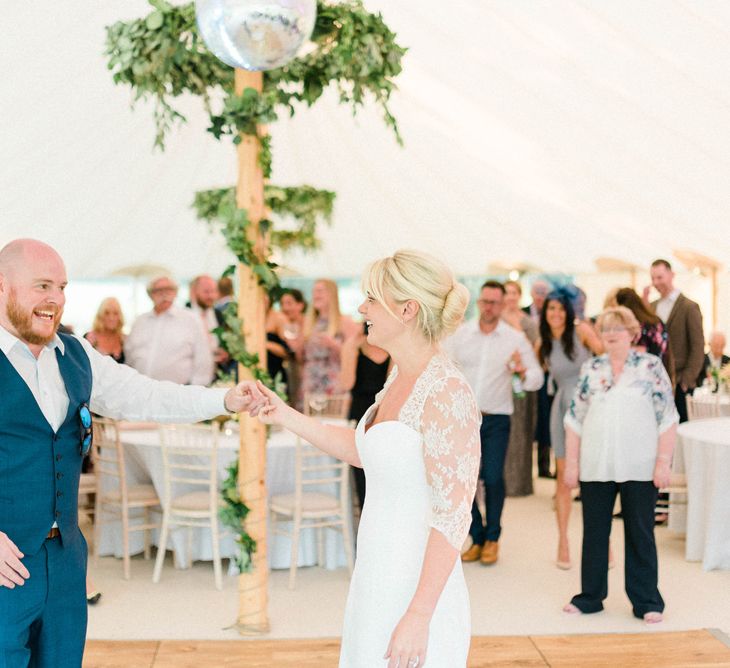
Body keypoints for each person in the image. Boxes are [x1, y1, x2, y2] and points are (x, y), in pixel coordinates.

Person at [0, 239, 256, 667]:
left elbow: (145, 396)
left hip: (65, 560)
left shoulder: (76, 355)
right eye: (42, 286)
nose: (55, 300)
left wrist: (222, 400)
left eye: (62, 287)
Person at [241, 250, 481, 668]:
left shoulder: (446, 391)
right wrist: (283, 413)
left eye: (372, 298)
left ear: (407, 309)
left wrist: (419, 615)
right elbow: (362, 449)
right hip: (376, 569)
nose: (361, 308)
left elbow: (454, 517)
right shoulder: (398, 377)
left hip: (417, 585)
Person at [562, 306, 678, 623]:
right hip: (596, 465)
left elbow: (667, 418)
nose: (612, 334)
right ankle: (590, 597)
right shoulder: (591, 368)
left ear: (632, 333)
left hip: (640, 465)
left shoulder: (650, 366)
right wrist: (571, 464)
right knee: (595, 533)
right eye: (606, 328)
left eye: (618, 328)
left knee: (641, 534)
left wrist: (663, 463)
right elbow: (574, 419)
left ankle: (647, 601)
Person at [446, 280, 543, 566]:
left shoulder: (514, 339)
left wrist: (522, 371)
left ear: (503, 305)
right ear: (478, 303)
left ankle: (493, 538)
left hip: (497, 418)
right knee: (465, 481)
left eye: (494, 302)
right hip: (462, 419)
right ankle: (476, 536)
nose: (488, 307)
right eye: (484, 301)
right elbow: (444, 368)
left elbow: (536, 378)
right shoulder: (460, 335)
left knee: (493, 477)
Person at [536, 287, 603, 569]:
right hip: (562, 408)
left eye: (560, 309)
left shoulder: (583, 331)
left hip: (591, 406)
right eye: (551, 309)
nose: (555, 314)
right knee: (563, 476)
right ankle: (563, 541)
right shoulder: (544, 344)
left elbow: (605, 360)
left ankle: (603, 542)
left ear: (569, 311)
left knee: (593, 475)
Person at [124, 276, 214, 386]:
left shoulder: (191, 319)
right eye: (158, 291)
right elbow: (129, 355)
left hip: (179, 393)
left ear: (175, 293)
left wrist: (196, 389)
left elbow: (203, 359)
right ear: (150, 295)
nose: (164, 294)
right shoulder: (139, 321)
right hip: (141, 390)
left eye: (168, 289)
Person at [339, 321, 390, 512]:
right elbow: (346, 383)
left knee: (382, 470)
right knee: (361, 470)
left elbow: (391, 385)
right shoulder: (354, 347)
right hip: (361, 413)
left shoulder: (391, 348)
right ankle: (364, 515)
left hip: (382, 413)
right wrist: (351, 348)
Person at [645, 259, 704, 422]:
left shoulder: (689, 307)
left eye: (660, 277)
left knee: (681, 427)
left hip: (679, 381)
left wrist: (687, 380)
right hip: (655, 379)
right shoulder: (652, 306)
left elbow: (698, 346)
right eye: (653, 278)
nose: (656, 282)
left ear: (671, 275)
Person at [301, 279, 358, 405]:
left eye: (320, 291)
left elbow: (355, 354)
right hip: (310, 380)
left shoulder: (345, 321)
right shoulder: (309, 322)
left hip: (333, 382)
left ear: (332, 294)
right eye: (314, 291)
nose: (316, 295)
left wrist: (334, 345)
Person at [524, 279, 553, 478]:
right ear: (532, 294)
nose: (541, 297)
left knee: (545, 419)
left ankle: (544, 466)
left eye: (544, 293)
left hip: (548, 371)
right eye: (538, 293)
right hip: (524, 371)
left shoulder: (553, 313)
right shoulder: (523, 314)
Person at [279, 289, 307, 406]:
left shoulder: (308, 324)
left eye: (289, 303)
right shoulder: (284, 325)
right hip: (290, 372)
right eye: (282, 304)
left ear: (300, 305)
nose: (285, 308)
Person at [84, 297, 125, 363]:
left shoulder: (124, 340)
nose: (111, 318)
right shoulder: (89, 338)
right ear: (100, 315)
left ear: (120, 316)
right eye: (107, 313)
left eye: (115, 313)